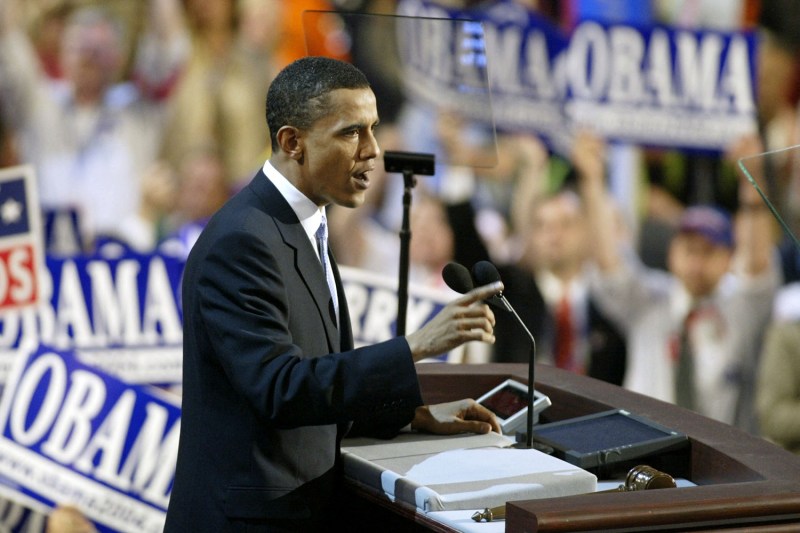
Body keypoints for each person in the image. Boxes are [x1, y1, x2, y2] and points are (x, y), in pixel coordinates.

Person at [165, 56, 503, 532]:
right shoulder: (241, 241)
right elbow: (281, 390)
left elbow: (319, 386)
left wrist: (413, 415)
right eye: (351, 133)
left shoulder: (308, 222)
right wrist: (416, 347)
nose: (373, 150)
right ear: (292, 142)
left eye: (374, 129)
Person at [577, 130, 781, 432]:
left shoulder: (740, 309)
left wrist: (752, 188)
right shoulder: (648, 300)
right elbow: (607, 261)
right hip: (642, 450)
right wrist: (591, 180)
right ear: (672, 253)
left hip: (720, 462)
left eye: (708, 251)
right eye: (688, 249)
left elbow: (757, 269)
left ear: (729, 258)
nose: (696, 262)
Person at [0, 0, 188, 251]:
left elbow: (168, 50)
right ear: (62, 52)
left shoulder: (138, 112)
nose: (88, 57)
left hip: (121, 263)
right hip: (51, 263)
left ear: (119, 57)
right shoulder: (38, 107)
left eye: (99, 49)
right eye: (79, 47)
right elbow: (8, 42)